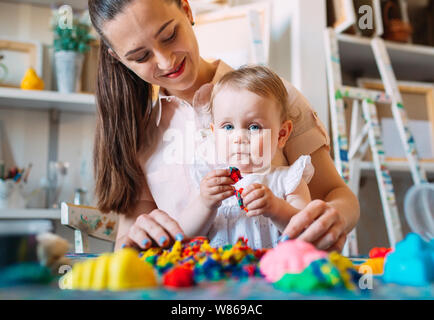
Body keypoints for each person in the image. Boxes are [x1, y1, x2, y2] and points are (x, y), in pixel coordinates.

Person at [88, 0, 360, 253]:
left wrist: (335, 218)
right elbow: (127, 241)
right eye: (140, 56)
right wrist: (135, 243)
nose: (166, 61)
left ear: (186, 10)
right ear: (118, 58)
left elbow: (336, 194)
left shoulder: (275, 98)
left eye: (170, 35)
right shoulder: (138, 131)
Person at [179, 65, 313, 249]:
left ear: (281, 134)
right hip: (219, 272)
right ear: (214, 134)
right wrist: (205, 203)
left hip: (271, 273)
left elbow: (307, 231)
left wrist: (276, 208)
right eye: (227, 127)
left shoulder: (289, 180)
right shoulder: (211, 183)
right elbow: (184, 236)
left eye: (254, 127)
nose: (239, 138)